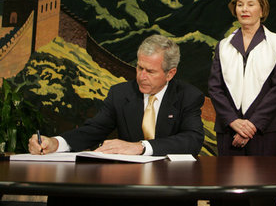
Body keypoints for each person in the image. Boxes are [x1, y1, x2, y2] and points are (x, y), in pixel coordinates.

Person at [28, 34, 205, 157]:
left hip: (171, 182)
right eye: (139, 68)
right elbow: (93, 130)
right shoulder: (120, 93)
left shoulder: (188, 96)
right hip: (128, 182)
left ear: (170, 74)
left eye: (150, 71)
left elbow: (192, 140)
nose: (141, 76)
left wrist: (141, 147)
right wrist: (56, 143)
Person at [208, 0, 276, 156]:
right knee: (229, 181)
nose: (244, 9)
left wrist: (252, 125)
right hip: (229, 130)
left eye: (251, 4)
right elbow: (215, 88)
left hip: (264, 130)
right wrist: (233, 121)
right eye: (240, 4)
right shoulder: (223, 46)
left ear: (262, 10)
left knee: (264, 181)